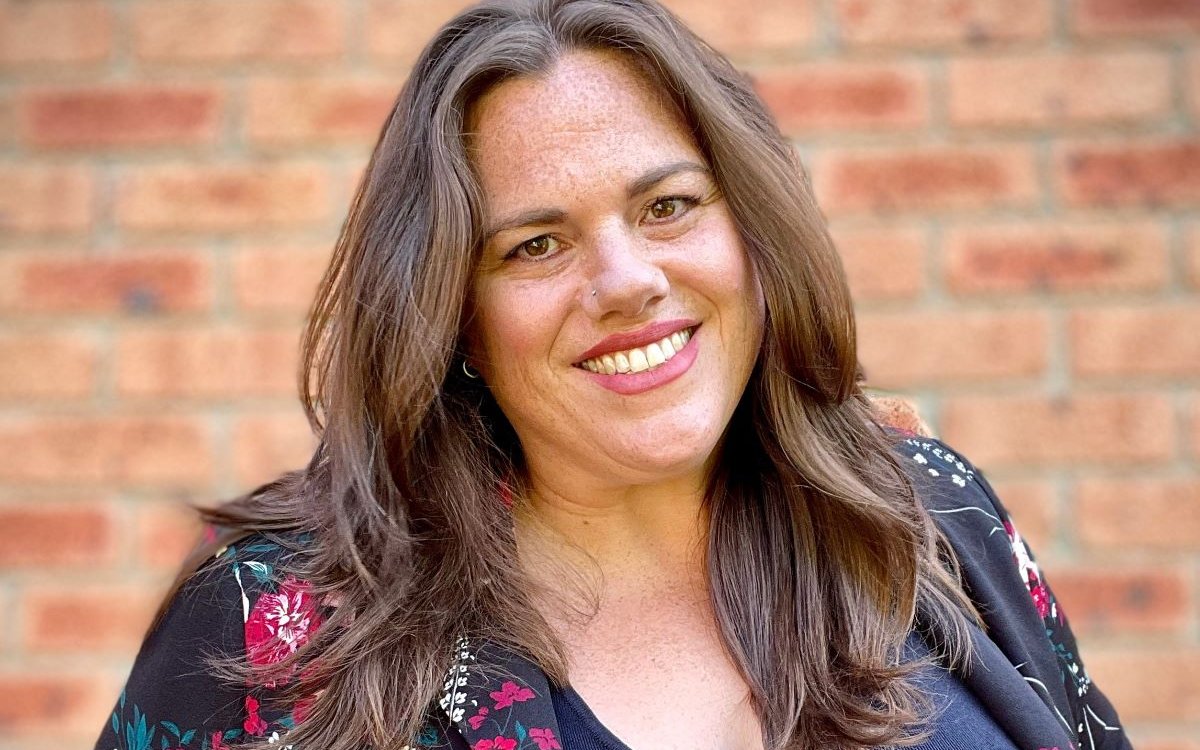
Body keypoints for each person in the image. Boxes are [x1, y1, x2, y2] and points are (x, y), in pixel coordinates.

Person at [94, 1, 1133, 749]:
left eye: (669, 206)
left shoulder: (927, 518)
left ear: (753, 231)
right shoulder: (277, 627)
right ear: (454, 314)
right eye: (535, 246)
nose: (628, 281)